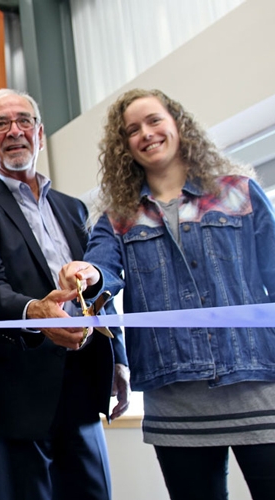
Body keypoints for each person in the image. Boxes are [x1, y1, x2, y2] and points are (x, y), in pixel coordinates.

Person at [60, 88, 275, 500]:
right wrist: (86, 274)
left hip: (258, 387)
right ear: (124, 147)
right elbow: (103, 271)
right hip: (175, 402)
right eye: (132, 130)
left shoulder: (241, 193)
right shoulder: (118, 217)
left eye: (154, 120)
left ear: (178, 123)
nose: (146, 133)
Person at [0, 88, 129, 500]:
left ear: (39, 133)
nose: (14, 130)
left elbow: (98, 291)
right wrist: (35, 312)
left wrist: (118, 358)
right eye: (0, 124)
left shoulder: (75, 208)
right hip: (10, 396)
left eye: (24, 120)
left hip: (81, 388)